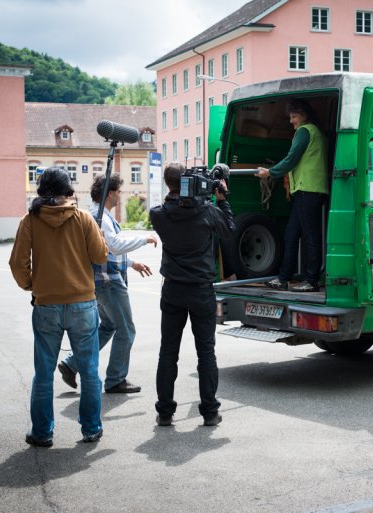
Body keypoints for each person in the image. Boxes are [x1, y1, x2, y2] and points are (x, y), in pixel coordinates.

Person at [9, 167, 108, 447]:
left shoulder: (30, 220)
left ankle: (42, 432)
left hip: (46, 305)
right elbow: (100, 256)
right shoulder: (84, 218)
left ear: (41, 191)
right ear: (69, 191)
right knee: (89, 371)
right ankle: (90, 428)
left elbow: (17, 264)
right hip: (82, 305)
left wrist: (32, 285)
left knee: (43, 372)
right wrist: (97, 234)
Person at [149, 163, 235, 427]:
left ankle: (165, 412)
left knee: (168, 352)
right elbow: (229, 231)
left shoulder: (159, 215)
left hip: (173, 289)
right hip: (200, 291)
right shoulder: (207, 211)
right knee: (206, 353)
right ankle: (209, 412)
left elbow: (170, 208)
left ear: (168, 185)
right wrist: (222, 201)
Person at [57, 174, 158, 394]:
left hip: (101, 281)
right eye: (119, 192)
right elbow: (113, 245)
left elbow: (105, 250)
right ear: (110, 193)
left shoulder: (97, 214)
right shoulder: (99, 216)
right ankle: (115, 380)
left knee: (109, 326)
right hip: (108, 282)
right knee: (126, 330)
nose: (121, 197)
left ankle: (71, 364)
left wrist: (131, 263)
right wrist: (144, 239)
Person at [256, 99, 328, 292]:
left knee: (310, 235)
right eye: (291, 117)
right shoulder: (316, 132)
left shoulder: (305, 131)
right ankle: (284, 277)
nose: (291, 121)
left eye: (294, 116)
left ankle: (311, 280)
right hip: (307, 190)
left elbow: (291, 158)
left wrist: (270, 172)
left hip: (308, 189)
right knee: (291, 234)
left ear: (304, 116)